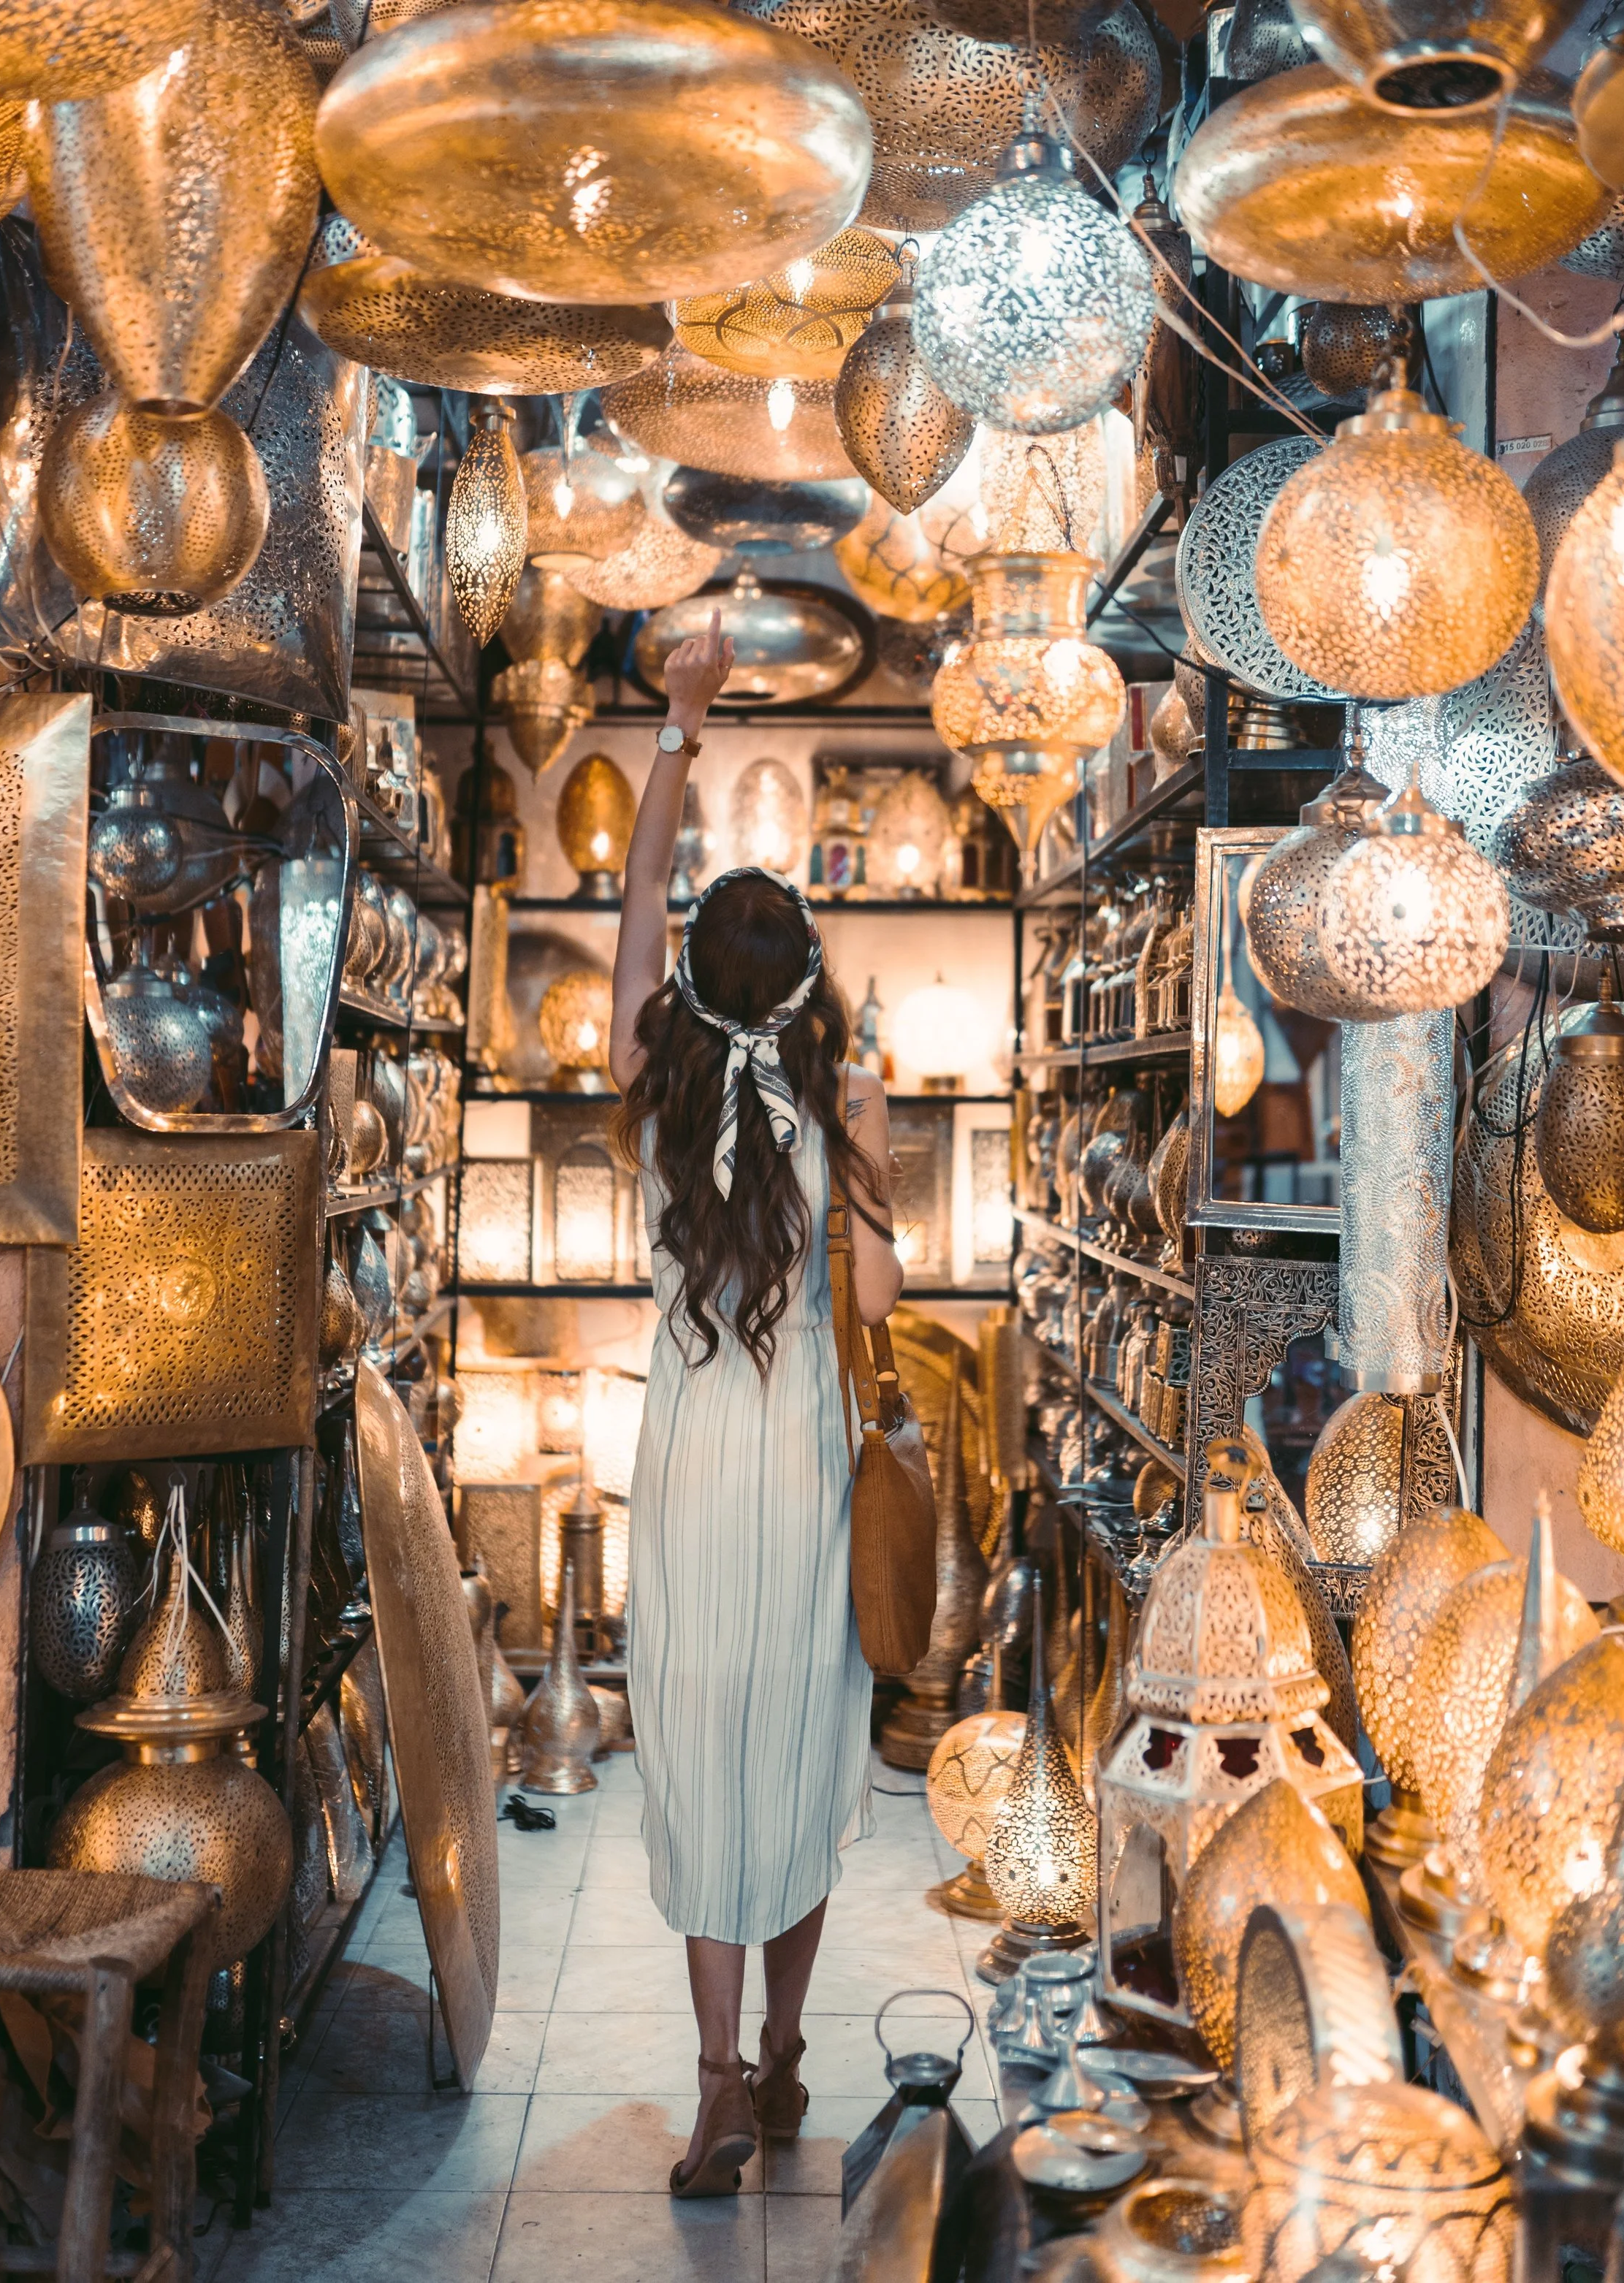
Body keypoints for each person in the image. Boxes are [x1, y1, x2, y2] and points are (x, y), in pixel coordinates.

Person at [609, 609, 904, 2198]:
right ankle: (785, 2056)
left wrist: (678, 717)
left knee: (701, 1746)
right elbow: (879, 1307)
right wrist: (865, 1142)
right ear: (800, 984)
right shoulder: (831, 1107)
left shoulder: (651, 1087)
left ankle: (715, 2076)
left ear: (687, 987)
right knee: (790, 1743)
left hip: (687, 1463)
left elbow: (634, 915)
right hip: (798, 1468)